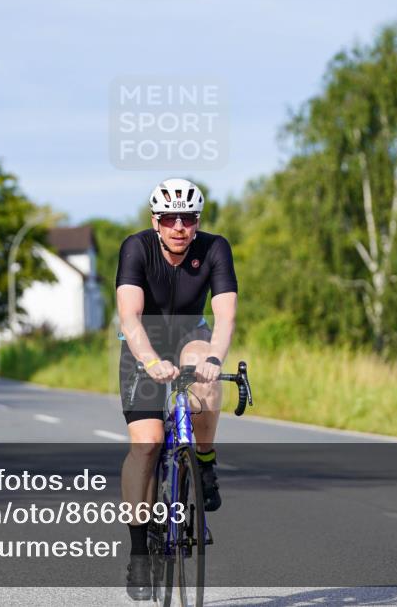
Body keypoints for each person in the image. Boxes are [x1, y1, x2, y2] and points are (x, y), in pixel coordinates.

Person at [115, 178, 238, 600]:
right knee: (147, 445)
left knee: (204, 371)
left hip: (190, 336)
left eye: (187, 219)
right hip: (143, 344)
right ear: (156, 221)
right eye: (170, 219)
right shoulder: (136, 248)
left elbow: (223, 318)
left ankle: (203, 462)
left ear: (197, 222)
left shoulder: (215, 248)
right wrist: (149, 361)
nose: (179, 226)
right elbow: (129, 318)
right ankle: (137, 553)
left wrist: (214, 360)